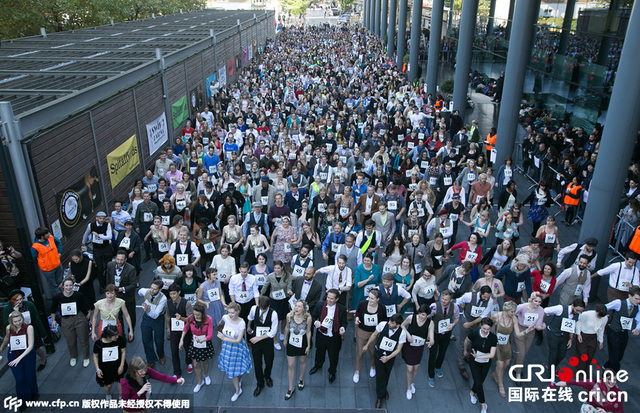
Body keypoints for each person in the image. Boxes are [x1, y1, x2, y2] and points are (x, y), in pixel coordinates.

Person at [364, 313, 406, 409]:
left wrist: (388, 357)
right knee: (380, 375)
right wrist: (367, 345)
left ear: (398, 325)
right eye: (390, 320)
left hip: (390, 356)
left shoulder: (402, 333)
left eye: (392, 323)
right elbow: (375, 334)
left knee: (387, 373)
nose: (389, 323)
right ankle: (379, 397)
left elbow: (398, 349)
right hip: (379, 353)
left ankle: (383, 389)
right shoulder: (383, 325)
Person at [490, 301, 531, 398]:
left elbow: (517, 333)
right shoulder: (496, 316)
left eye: (514, 311)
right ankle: (501, 385)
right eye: (512, 311)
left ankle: (496, 373)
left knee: (507, 363)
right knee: (500, 364)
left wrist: (527, 331)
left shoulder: (514, 319)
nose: (513, 313)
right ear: (506, 310)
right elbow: (489, 327)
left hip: (507, 343)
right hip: (497, 344)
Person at [50, 276, 91, 367]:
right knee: (70, 341)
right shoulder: (57, 297)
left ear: (73, 285)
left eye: (70, 285)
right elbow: (52, 310)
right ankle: (73, 356)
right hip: (66, 320)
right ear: (63, 286)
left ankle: (86, 356)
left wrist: (88, 314)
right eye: (66, 285)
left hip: (78, 318)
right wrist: (53, 320)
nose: (68, 288)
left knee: (83, 339)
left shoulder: (78, 295)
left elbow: (86, 305)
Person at [2, 289, 48, 371]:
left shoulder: (29, 305)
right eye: (17, 300)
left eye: (21, 299)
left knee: (36, 347)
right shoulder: (7, 310)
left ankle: (43, 359)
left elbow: (36, 319)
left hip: (30, 330)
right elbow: (6, 324)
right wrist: (15, 313)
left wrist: (43, 333)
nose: (19, 301)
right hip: (17, 333)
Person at [0, 311, 38, 409]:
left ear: (22, 318)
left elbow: (30, 346)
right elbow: (6, 338)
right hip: (13, 353)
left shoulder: (29, 327)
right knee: (20, 379)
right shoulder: (9, 328)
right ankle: (23, 401)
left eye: (19, 320)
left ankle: (34, 392)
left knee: (30, 376)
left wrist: (20, 358)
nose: (18, 323)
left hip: (27, 354)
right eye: (15, 322)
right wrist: (1, 348)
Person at [120, 356, 184, 412]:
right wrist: (139, 393)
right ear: (134, 371)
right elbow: (125, 405)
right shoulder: (126, 383)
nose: (144, 372)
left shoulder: (147, 372)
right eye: (141, 371)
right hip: (134, 410)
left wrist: (176, 380)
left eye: (145, 369)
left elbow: (162, 377)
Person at [310, 289, 348, 383]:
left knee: (334, 355)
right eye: (328, 298)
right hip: (321, 335)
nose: (329, 300)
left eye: (331, 299)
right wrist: (316, 322)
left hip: (334, 337)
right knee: (319, 352)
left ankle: (332, 371)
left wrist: (343, 328)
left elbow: (344, 322)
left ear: (337, 299)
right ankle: (318, 365)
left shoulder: (342, 309)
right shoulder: (320, 305)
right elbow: (313, 316)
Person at [217, 302, 253, 402]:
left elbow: (238, 340)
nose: (230, 315)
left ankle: (238, 385)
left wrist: (224, 338)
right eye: (229, 312)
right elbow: (221, 321)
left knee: (239, 367)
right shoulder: (225, 317)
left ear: (237, 312)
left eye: (232, 313)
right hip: (227, 348)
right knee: (232, 371)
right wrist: (220, 324)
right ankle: (237, 390)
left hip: (237, 348)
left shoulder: (241, 323)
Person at [457, 286, 494, 380]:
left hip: (476, 322)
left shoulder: (490, 301)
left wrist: (472, 324)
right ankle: (461, 365)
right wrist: (461, 310)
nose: (486, 299)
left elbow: (484, 315)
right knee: (463, 342)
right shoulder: (469, 296)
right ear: (480, 293)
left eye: (488, 297)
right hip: (466, 319)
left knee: (473, 341)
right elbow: (458, 302)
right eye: (485, 297)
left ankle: (468, 355)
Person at [463, 317, 497, 413]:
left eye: (488, 329)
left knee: (480, 381)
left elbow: (492, 354)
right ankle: (483, 405)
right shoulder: (474, 334)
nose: (485, 331)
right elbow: (466, 340)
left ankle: (472, 392)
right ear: (480, 326)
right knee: (478, 381)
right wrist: (465, 350)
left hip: (485, 362)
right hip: (474, 361)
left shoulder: (493, 338)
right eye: (484, 328)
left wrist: (479, 357)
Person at [353, 288, 387, 383]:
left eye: (372, 298)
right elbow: (358, 313)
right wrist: (357, 319)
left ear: (378, 299)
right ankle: (357, 370)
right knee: (360, 351)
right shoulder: (363, 304)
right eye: (369, 297)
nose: (370, 300)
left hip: (375, 333)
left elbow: (384, 320)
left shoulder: (382, 308)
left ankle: (372, 366)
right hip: (362, 331)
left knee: (373, 351)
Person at [247, 296, 279, 397]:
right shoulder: (254, 308)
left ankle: (267, 376)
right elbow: (250, 318)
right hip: (256, 339)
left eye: (264, 309)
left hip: (266, 341)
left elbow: (273, 332)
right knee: (257, 363)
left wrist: (258, 338)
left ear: (269, 306)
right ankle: (259, 383)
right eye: (261, 308)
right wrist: (248, 327)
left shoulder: (273, 314)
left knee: (269, 360)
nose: (262, 310)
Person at [401, 304, 434, 400]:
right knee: (410, 369)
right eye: (420, 313)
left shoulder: (430, 323)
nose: (420, 316)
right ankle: (408, 387)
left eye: (423, 315)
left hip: (419, 347)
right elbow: (402, 325)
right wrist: (407, 334)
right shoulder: (411, 318)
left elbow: (431, 338)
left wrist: (430, 342)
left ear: (427, 315)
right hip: (409, 346)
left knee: (415, 368)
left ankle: (411, 382)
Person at [603, 286, 640, 371]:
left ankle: (607, 365)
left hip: (624, 332)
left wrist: (637, 329)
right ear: (630, 296)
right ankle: (614, 372)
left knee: (620, 354)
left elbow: (639, 320)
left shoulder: (638, 307)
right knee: (614, 353)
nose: (638, 301)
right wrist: (605, 317)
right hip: (613, 330)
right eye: (636, 299)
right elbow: (605, 307)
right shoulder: (619, 303)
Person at [179, 303, 214, 393]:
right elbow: (186, 328)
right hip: (195, 343)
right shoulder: (191, 318)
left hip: (204, 342)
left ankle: (206, 375)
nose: (196, 316)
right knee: (196, 364)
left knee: (205, 361)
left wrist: (201, 340)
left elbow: (210, 335)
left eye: (198, 315)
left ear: (202, 314)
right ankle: (200, 381)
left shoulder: (208, 319)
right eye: (195, 314)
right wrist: (181, 340)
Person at [555, 369, 626, 413]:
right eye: (609, 379)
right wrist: (566, 383)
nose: (612, 382)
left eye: (614, 379)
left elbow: (619, 409)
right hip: (589, 409)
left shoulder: (617, 392)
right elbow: (580, 382)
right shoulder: (595, 385)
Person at [512, 292, 547, 379]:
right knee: (522, 353)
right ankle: (518, 374)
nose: (537, 304)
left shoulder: (541, 310)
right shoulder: (523, 307)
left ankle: (515, 366)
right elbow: (512, 314)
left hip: (531, 332)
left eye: (539, 302)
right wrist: (515, 323)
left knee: (524, 353)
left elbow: (538, 325)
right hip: (521, 329)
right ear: (532, 300)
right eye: (536, 301)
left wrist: (542, 327)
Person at [543, 298, 585, 369]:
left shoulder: (578, 315)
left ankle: (551, 366)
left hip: (564, 336)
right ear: (572, 306)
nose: (578, 312)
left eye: (580, 311)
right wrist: (541, 322)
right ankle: (551, 375)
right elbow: (545, 311)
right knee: (553, 355)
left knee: (562, 354)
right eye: (577, 310)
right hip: (554, 333)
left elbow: (572, 326)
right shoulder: (560, 309)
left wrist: (571, 339)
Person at [283, 299, 312, 400]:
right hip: (291, 342)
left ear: (303, 309)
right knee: (290, 365)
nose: (296, 308)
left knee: (302, 360)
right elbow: (287, 327)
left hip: (302, 342)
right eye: (296, 306)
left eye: (299, 306)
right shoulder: (289, 316)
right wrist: (285, 338)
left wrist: (308, 345)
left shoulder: (308, 318)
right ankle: (291, 387)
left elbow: (308, 332)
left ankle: (301, 379)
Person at [105, 250, 137, 340]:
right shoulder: (110, 265)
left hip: (127, 296)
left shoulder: (131, 269)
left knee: (130, 315)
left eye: (121, 260)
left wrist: (121, 289)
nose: (119, 262)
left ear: (126, 259)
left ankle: (131, 331)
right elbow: (108, 279)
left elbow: (133, 285)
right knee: (118, 316)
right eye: (117, 259)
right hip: (115, 296)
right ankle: (121, 334)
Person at [165, 283, 193, 378]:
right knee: (173, 351)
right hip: (174, 329)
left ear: (179, 292)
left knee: (187, 347)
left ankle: (188, 362)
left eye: (174, 294)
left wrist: (181, 318)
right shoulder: (167, 303)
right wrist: (168, 327)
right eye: (170, 294)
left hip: (185, 330)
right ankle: (177, 371)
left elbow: (190, 319)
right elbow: (168, 315)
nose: (172, 296)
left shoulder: (187, 303)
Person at [137, 280, 167, 368]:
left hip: (157, 320)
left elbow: (155, 315)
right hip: (146, 318)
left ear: (160, 289)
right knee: (146, 339)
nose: (152, 291)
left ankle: (161, 355)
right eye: (151, 288)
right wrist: (143, 296)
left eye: (154, 289)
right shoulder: (146, 291)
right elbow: (140, 291)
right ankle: (151, 359)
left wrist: (147, 309)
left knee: (159, 340)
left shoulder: (163, 298)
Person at [93, 325, 127, 401]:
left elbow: (123, 351)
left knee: (120, 382)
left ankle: (121, 396)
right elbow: (95, 356)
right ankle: (108, 394)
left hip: (117, 365)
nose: (117, 337)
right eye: (114, 336)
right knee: (107, 385)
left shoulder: (120, 340)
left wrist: (122, 365)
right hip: (105, 367)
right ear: (108, 337)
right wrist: (97, 369)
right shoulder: (98, 344)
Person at [31, 226, 63, 298]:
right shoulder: (35, 247)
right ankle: (59, 299)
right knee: (53, 286)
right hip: (48, 270)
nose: (49, 234)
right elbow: (34, 259)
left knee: (60, 282)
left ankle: (64, 295)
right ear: (42, 236)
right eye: (47, 233)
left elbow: (58, 242)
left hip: (57, 265)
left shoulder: (50, 238)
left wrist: (59, 252)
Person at [575, 303, 607, 372]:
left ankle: (584, 369)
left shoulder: (605, 318)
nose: (600, 318)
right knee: (582, 355)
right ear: (596, 312)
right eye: (599, 315)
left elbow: (601, 329)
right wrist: (578, 334)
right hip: (583, 335)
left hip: (593, 337)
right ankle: (580, 373)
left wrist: (601, 340)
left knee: (590, 356)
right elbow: (579, 323)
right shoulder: (586, 314)